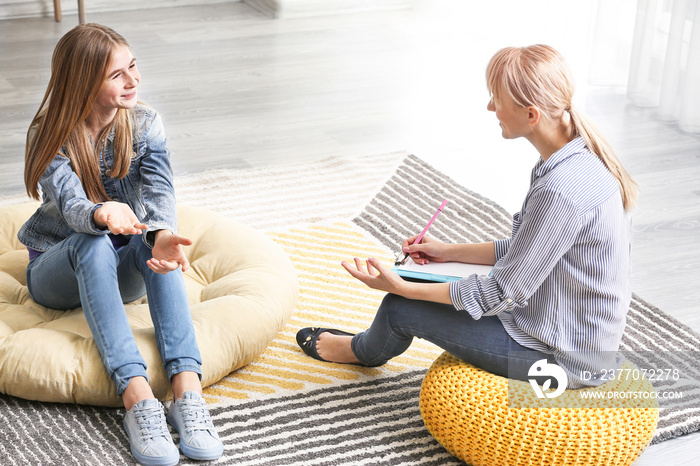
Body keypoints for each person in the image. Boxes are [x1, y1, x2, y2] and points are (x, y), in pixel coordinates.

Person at [296, 44, 639, 390]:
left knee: (397, 308)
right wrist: (447, 251)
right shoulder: (578, 157)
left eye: (497, 98)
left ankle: (362, 351)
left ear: (532, 114)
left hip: (563, 360)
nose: (491, 107)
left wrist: (404, 287)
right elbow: (528, 250)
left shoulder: (560, 190)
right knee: (426, 284)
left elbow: (501, 293)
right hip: (571, 333)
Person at [18, 24, 223, 466]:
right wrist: (101, 213)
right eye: (117, 75)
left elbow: (159, 194)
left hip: (121, 264)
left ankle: (188, 390)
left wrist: (161, 234)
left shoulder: (146, 124)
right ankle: (137, 398)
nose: (133, 80)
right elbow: (73, 206)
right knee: (91, 242)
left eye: (133, 67)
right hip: (55, 271)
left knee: (158, 246)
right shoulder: (49, 134)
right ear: (84, 82)